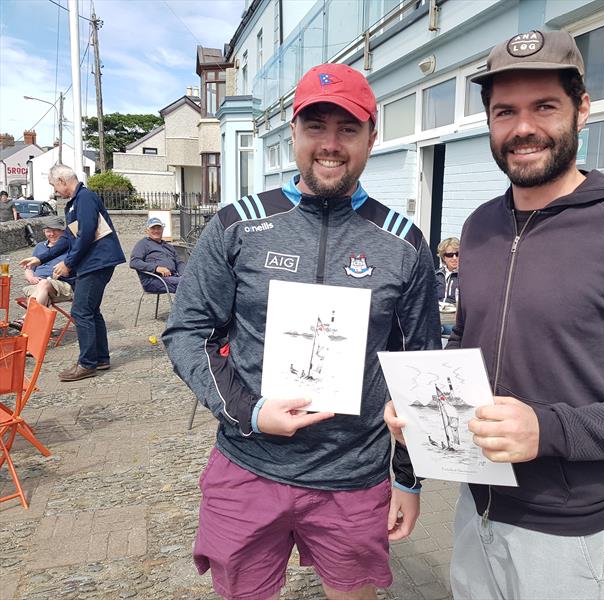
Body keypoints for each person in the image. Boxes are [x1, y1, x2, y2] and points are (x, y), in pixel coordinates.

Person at [385, 30, 604, 600]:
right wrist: (421, 415)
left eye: (544, 107)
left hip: (571, 528)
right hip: (476, 504)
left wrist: (550, 430)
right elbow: (472, 346)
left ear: (581, 110)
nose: (523, 128)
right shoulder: (481, 228)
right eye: (504, 111)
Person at [162, 63, 440, 600]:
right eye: (316, 126)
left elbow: (419, 368)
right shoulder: (237, 225)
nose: (330, 144)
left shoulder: (404, 243)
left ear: (371, 138)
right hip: (249, 465)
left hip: (352, 477)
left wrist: (407, 476)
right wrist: (248, 411)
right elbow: (188, 330)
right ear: (292, 131)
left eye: (348, 129)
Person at [47, 164, 126, 382]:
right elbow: (70, 237)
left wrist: (69, 264)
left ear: (63, 180)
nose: (56, 191)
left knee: (81, 311)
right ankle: (100, 358)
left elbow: (86, 234)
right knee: (91, 310)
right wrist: (41, 257)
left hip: (96, 262)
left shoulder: (84, 198)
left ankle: (87, 363)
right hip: (95, 262)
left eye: (55, 185)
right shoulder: (77, 202)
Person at [13, 216, 75, 329]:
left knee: (42, 287)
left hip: (61, 285)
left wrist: (67, 269)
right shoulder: (40, 247)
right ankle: (37, 333)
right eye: (48, 231)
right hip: (37, 285)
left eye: (55, 230)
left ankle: (26, 319)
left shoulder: (71, 247)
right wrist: (31, 277)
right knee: (39, 294)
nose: (51, 234)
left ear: (63, 231)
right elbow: (29, 268)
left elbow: (74, 266)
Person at [129, 216, 185, 293]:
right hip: (154, 279)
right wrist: (156, 268)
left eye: (158, 228)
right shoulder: (143, 244)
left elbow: (179, 262)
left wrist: (184, 274)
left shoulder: (168, 246)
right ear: (147, 231)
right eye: (153, 228)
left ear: (162, 230)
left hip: (173, 277)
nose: (156, 231)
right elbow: (134, 262)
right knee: (187, 285)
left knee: (193, 282)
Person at [434, 237, 460, 304]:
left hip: (455, 312)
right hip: (438, 312)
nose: (454, 258)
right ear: (443, 257)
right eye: (450, 255)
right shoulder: (436, 275)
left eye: (457, 254)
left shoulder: (466, 276)